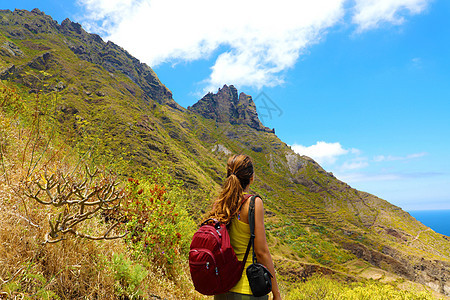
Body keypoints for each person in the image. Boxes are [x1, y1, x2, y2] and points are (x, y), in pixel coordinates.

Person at [206, 154, 282, 300]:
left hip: (222, 289)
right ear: (251, 178)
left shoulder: (220, 204)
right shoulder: (253, 203)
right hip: (247, 290)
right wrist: (276, 292)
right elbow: (261, 252)